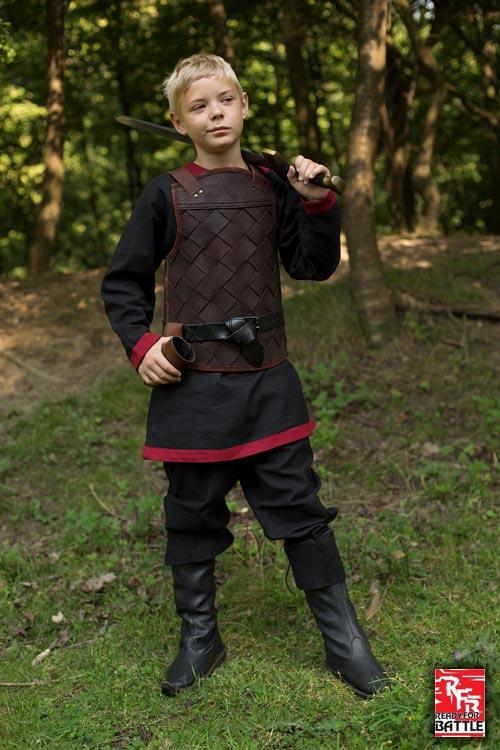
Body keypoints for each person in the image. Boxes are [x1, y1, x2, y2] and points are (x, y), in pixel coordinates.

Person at [101, 53, 390, 699]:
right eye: (199, 106)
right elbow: (122, 282)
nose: (215, 114)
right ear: (179, 122)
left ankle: (345, 644)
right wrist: (142, 344)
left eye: (225, 100)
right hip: (193, 389)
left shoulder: (273, 185)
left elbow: (312, 267)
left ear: (244, 105)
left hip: (267, 383)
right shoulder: (166, 193)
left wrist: (317, 202)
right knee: (192, 512)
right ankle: (200, 639)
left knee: (300, 510)